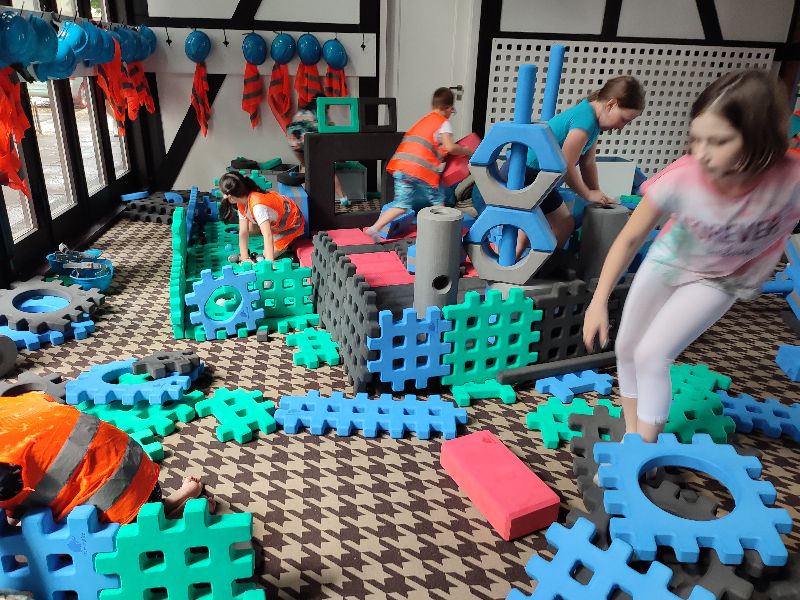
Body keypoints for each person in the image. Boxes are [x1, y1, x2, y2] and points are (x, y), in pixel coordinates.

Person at [583, 69, 800, 444]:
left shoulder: (790, 180)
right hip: (669, 262)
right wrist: (598, 300)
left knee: (652, 354)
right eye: (696, 138)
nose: (702, 153)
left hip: (723, 279)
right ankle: (634, 437)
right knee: (627, 347)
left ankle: (644, 450)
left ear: (759, 138)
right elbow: (630, 238)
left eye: (718, 141)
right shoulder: (683, 177)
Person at [0, 392, 215, 525]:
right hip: (139, 468)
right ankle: (176, 500)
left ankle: (183, 520)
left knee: (79, 548)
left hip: (115, 501)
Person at [487, 75, 644, 256]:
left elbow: (587, 162)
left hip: (537, 176)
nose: (621, 127)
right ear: (611, 105)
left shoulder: (592, 121)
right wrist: (587, 194)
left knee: (558, 224)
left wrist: (597, 192)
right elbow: (566, 165)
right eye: (624, 120)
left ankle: (535, 264)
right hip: (525, 174)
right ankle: (524, 262)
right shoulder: (585, 120)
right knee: (551, 224)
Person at [364, 87, 474, 240]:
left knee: (401, 205)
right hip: (421, 171)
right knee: (438, 202)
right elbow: (450, 147)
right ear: (448, 108)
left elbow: (427, 146)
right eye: (452, 110)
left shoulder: (424, 121)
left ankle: (374, 229)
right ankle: (442, 237)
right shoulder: (443, 123)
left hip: (402, 169)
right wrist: (467, 151)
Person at [218, 171, 305, 263]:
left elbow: (267, 235)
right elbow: (243, 232)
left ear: (231, 198)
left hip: (292, 223)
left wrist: (269, 263)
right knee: (249, 230)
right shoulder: (242, 202)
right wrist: (245, 257)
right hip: (275, 219)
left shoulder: (258, 206)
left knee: (267, 254)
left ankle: (287, 243)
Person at [286, 105, 348, 206]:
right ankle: (343, 198)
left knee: (305, 167)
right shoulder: (320, 111)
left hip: (293, 141)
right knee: (328, 169)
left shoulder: (302, 111)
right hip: (308, 140)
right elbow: (327, 129)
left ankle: (304, 200)